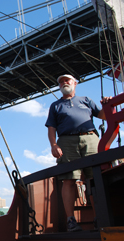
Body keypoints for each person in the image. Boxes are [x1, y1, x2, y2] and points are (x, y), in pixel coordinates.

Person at [45, 74, 111, 232]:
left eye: (67, 80)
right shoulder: (55, 106)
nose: (64, 83)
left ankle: (99, 218)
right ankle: (71, 221)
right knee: (69, 180)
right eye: (60, 81)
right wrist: (54, 145)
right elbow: (51, 128)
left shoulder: (86, 100)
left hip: (90, 138)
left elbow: (103, 116)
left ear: (75, 83)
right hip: (66, 142)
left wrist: (107, 105)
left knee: (95, 178)